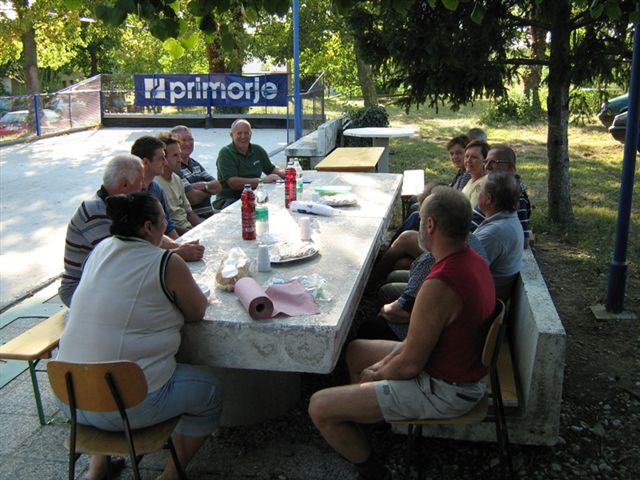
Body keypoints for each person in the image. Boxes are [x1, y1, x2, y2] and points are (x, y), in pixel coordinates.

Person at [309, 187, 496, 480]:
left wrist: (376, 375)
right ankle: (366, 416)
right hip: (455, 371)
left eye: (420, 218)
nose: (418, 223)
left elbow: (410, 363)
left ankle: (372, 469)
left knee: (318, 406)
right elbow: (414, 345)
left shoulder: (440, 284)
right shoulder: (471, 259)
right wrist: (380, 367)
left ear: (431, 225)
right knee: (356, 350)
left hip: (447, 390)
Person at [56, 192, 222, 480]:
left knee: (106, 364)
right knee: (210, 390)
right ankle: (169, 476)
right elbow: (196, 312)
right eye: (163, 219)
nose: (166, 223)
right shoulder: (166, 262)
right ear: (148, 227)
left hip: (71, 397)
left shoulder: (100, 249)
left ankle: (97, 471)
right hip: (131, 404)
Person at [59, 155, 205, 307]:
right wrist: (177, 255)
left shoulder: (123, 206)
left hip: (112, 280)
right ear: (124, 185)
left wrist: (178, 246)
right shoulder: (95, 211)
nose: (144, 186)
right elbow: (124, 261)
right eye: (140, 181)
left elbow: (154, 237)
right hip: (81, 290)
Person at [213, 119, 285, 210]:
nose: (243, 136)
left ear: (251, 134)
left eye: (246, 133)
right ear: (231, 135)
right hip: (230, 200)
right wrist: (262, 180)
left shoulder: (257, 150)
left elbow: (271, 169)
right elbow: (233, 183)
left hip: (253, 196)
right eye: (239, 133)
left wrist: (291, 173)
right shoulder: (226, 153)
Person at [470, 144, 532, 248]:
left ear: (509, 167)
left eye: (493, 162)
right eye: (486, 161)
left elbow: (524, 240)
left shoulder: (514, 195)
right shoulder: (494, 187)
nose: (487, 166)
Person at [474, 171, 523, 300]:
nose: (477, 193)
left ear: (488, 199)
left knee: (412, 239)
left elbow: (461, 268)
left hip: (478, 301)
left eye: (479, 190)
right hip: (484, 294)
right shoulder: (508, 220)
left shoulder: (494, 234)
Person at [130, 135, 179, 239]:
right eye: (161, 158)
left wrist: (179, 246)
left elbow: (168, 226)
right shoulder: (131, 192)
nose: (165, 162)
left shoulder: (156, 189)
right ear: (146, 162)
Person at [155, 132, 203, 236]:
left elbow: (189, 213)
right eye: (175, 155)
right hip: (176, 235)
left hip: (189, 229)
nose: (180, 160)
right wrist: (192, 234)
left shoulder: (177, 179)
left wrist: (203, 230)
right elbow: (166, 225)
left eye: (180, 155)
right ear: (163, 158)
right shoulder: (155, 184)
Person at [170, 125, 221, 218]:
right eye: (183, 140)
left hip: (209, 215)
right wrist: (209, 189)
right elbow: (193, 198)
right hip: (194, 220)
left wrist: (203, 186)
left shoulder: (194, 164)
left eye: (191, 139)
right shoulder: (175, 168)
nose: (188, 143)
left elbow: (218, 186)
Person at [460, 140, 489, 207]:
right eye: (466, 156)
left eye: (474, 157)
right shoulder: (471, 179)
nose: (468, 160)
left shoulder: (483, 184)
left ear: (485, 161)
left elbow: (472, 213)